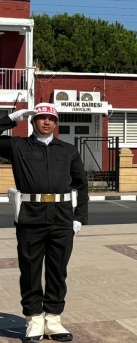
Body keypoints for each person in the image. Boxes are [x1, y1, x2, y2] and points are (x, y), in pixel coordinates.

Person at [0, 103, 88, 342]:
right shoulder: (17, 146)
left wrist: (79, 218)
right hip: (30, 218)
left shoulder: (69, 150)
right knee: (30, 271)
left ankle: (53, 319)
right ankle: (34, 320)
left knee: (58, 271)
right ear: (32, 121)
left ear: (56, 123)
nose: (46, 122)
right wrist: (10, 118)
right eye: (41, 117)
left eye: (51, 118)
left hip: (62, 218)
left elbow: (81, 184)